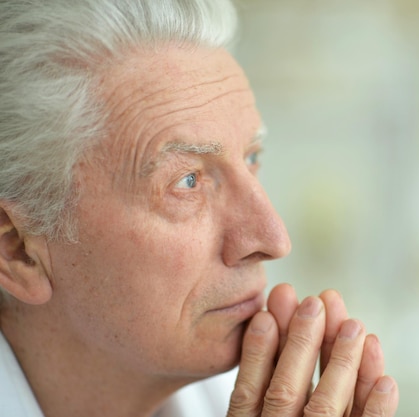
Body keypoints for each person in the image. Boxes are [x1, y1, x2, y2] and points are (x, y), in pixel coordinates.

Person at [0, 1, 399, 416]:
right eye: (187, 181)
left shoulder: (257, 398)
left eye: (251, 158)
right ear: (18, 250)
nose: (273, 238)